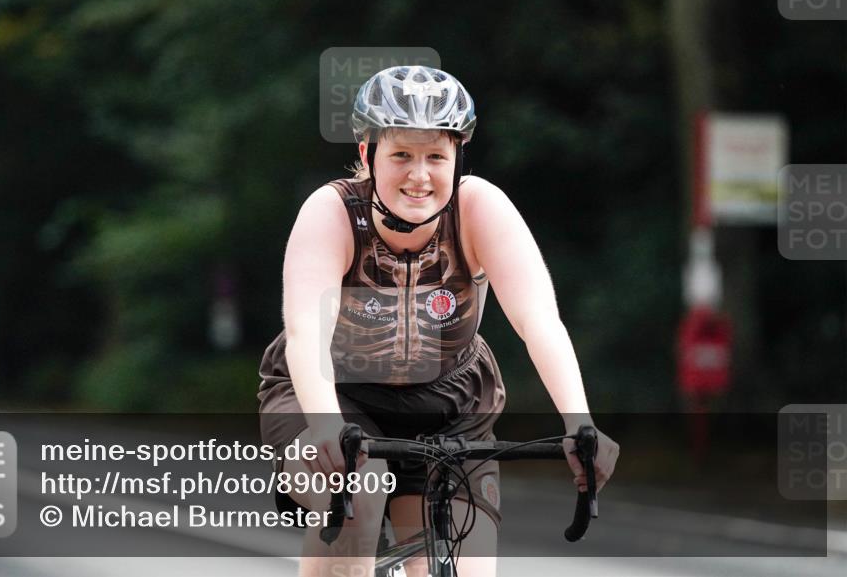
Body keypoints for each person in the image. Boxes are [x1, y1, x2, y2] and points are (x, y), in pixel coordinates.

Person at [258, 66, 620, 577]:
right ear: (368, 154)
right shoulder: (333, 212)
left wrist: (579, 422)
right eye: (401, 154)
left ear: (457, 158)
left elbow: (538, 319)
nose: (420, 175)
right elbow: (306, 332)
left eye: (436, 156)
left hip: (450, 404)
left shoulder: (479, 208)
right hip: (334, 394)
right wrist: (325, 425)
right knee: (360, 495)